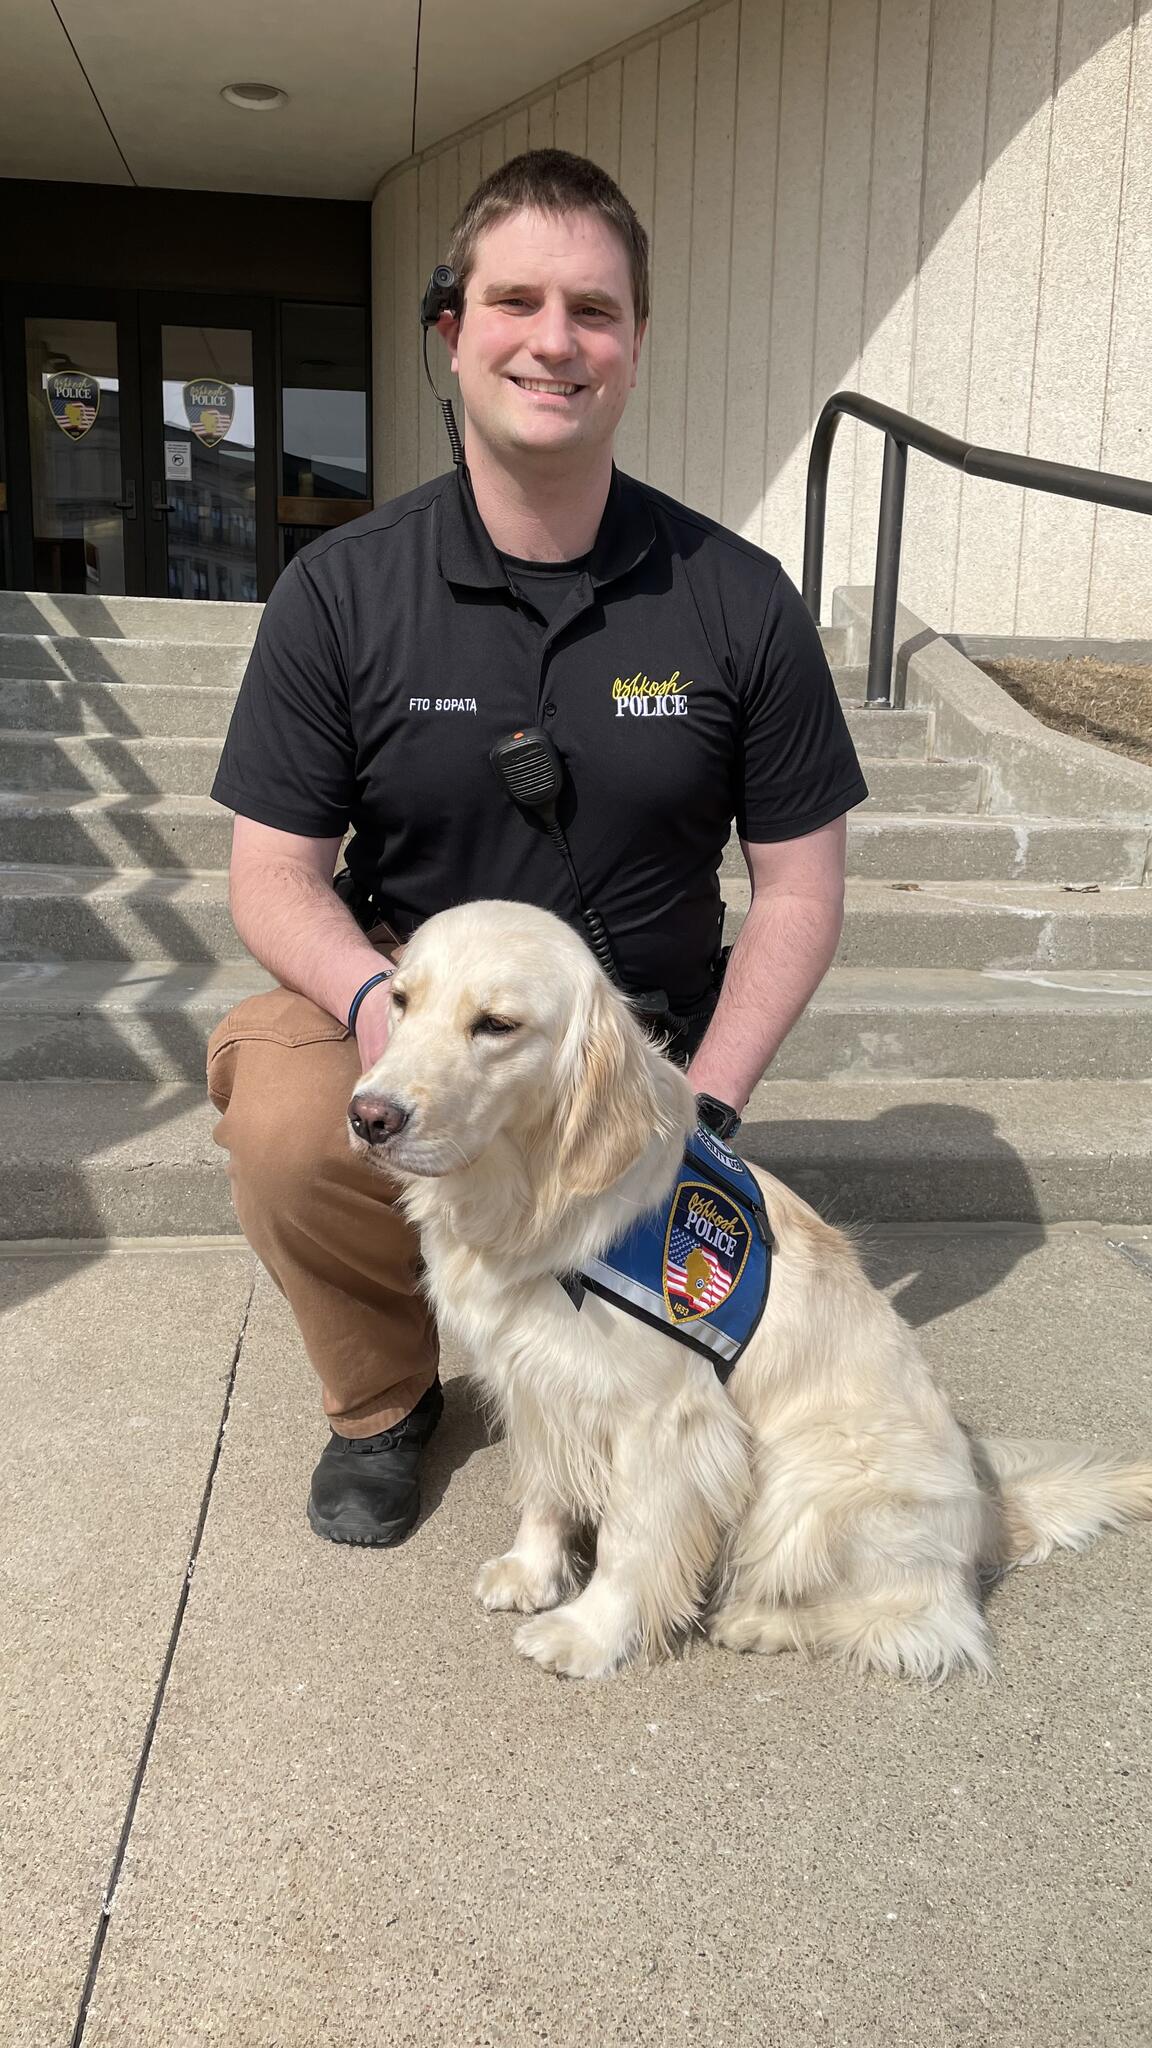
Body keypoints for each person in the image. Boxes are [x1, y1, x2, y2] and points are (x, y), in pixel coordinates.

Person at [206, 149, 869, 1549]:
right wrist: (392, 1022)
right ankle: (386, 1405)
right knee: (277, 1107)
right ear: (452, 333)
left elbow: (802, 887)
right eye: (517, 300)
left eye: (596, 309)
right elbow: (271, 871)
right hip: (420, 1000)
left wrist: (706, 1109)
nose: (556, 340)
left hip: (641, 1047)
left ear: (633, 347)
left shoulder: (739, 600)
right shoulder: (342, 592)